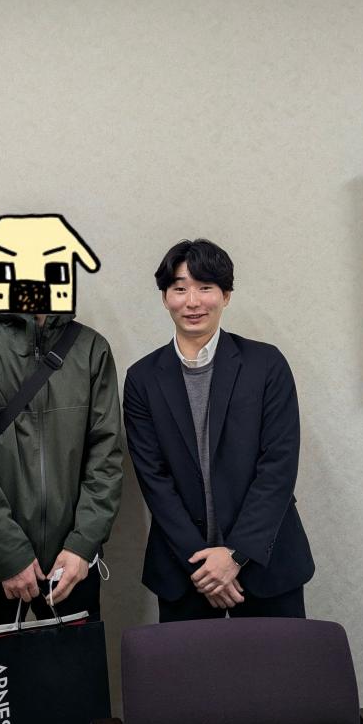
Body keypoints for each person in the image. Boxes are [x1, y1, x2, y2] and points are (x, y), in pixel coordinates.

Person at [0, 310, 123, 724]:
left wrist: (82, 545)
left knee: (76, 705)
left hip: (70, 568)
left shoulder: (91, 349)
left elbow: (107, 455)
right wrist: (9, 556)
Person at [123, 238, 314, 623]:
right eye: (180, 289)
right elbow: (153, 479)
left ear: (226, 295)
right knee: (190, 667)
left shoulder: (266, 364)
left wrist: (235, 555)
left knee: (278, 664)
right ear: (165, 298)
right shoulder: (142, 378)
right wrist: (204, 566)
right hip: (184, 570)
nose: (192, 301)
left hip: (265, 564)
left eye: (205, 287)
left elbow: (278, 466)